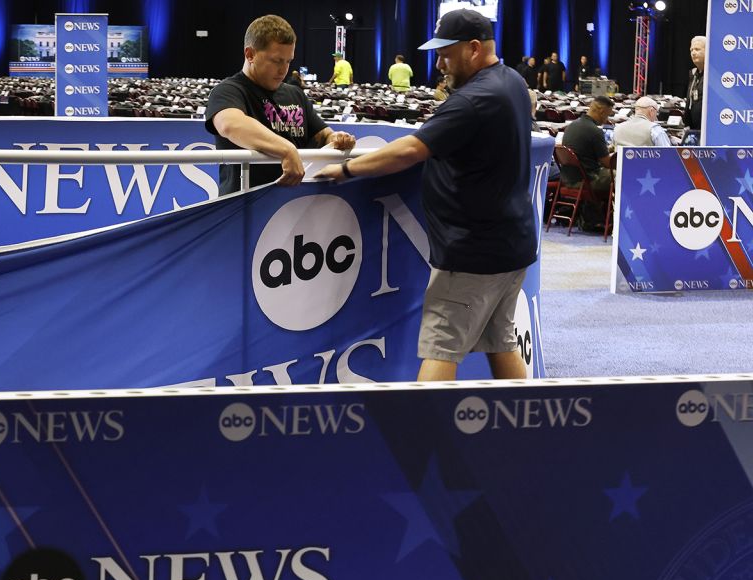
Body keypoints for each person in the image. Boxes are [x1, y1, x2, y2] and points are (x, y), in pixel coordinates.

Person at [316, 9, 535, 382]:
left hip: (472, 253)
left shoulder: (473, 100)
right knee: (501, 342)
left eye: (446, 54)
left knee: (441, 346)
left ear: (474, 48)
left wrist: (347, 169)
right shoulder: (513, 81)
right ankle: (528, 429)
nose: (439, 63)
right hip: (512, 243)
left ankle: (423, 436)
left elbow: (408, 151)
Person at [205, 15, 356, 196]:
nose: (284, 69)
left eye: (288, 61)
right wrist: (286, 149)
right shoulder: (228, 90)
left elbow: (322, 135)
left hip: (294, 207)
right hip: (246, 208)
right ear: (250, 54)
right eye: (276, 61)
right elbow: (230, 124)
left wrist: (336, 138)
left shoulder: (295, 93)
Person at [561, 95, 615, 197]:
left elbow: (585, 152)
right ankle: (615, 211)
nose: (606, 120)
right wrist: (622, 161)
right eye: (607, 115)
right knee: (620, 175)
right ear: (602, 112)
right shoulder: (595, 131)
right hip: (586, 180)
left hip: (567, 178)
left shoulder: (571, 125)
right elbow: (607, 163)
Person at [687, 36, 705, 136]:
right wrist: (686, 124)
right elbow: (690, 101)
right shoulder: (693, 74)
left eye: (697, 49)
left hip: (708, 129)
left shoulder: (713, 75)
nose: (693, 53)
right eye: (691, 50)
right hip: (694, 130)